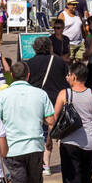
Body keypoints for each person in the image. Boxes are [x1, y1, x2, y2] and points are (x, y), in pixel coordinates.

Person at [0, 60, 57, 183]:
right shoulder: (40, 94)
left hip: (13, 148)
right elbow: (51, 120)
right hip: (35, 146)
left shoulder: (3, 96)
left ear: (11, 76)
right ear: (28, 75)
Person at [27, 35, 69, 172]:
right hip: (56, 100)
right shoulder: (59, 62)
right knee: (58, 133)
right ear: (50, 47)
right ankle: (56, 163)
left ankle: (42, 164)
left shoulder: (28, 63)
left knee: (39, 131)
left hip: (35, 101)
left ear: (35, 48)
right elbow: (66, 80)